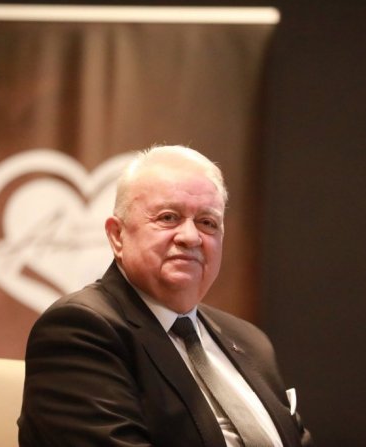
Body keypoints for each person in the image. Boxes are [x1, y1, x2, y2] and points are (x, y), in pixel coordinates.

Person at [18, 145, 314, 446]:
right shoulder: (81, 330)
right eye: (169, 217)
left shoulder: (251, 342)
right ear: (118, 236)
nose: (190, 237)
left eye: (207, 223)